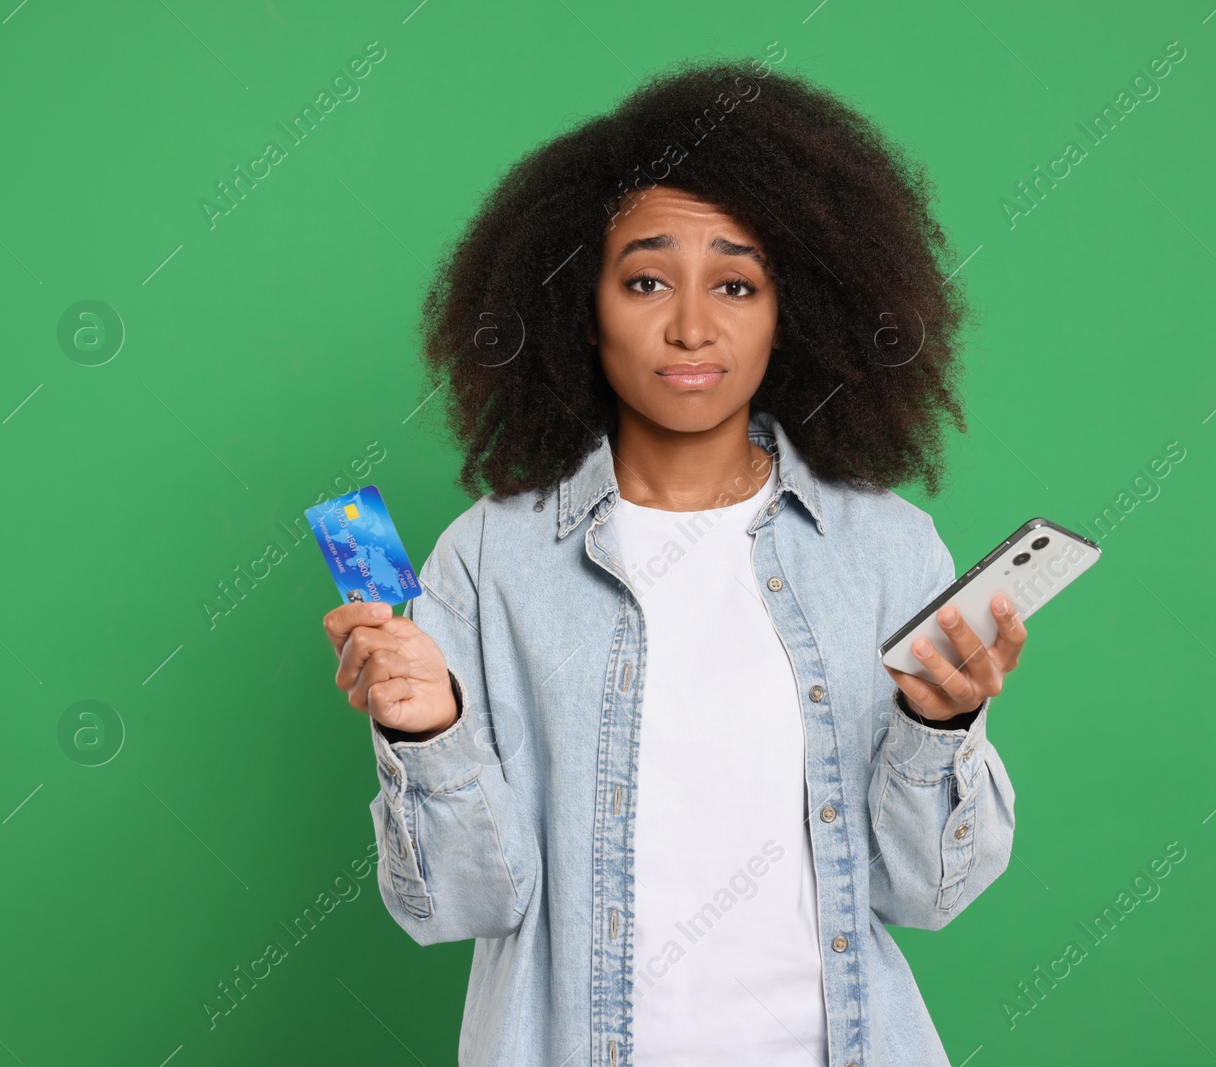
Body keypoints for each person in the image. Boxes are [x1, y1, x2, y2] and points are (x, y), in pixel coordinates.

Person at [324, 56, 1022, 1067]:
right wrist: (428, 728)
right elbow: (461, 905)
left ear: (794, 311)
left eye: (736, 283)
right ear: (578, 302)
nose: (691, 325)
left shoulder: (885, 547)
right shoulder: (490, 556)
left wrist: (939, 728)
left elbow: (925, 893)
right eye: (645, 279)